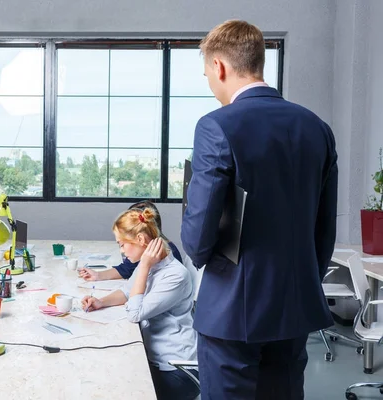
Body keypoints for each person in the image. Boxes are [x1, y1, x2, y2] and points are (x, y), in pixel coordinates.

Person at [180, 20, 338, 399]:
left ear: (219, 66)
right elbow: (324, 224)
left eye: (207, 74)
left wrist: (198, 248)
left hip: (232, 310)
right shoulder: (316, 128)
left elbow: (198, 237)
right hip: (295, 304)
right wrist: (303, 278)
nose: (210, 83)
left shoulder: (216, 126)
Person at [82, 207, 199, 400]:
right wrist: (101, 302)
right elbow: (128, 292)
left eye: (122, 244)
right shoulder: (151, 265)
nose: (121, 251)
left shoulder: (175, 275)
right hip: (156, 359)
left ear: (141, 240)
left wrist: (144, 265)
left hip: (177, 370)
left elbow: (135, 313)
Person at [78, 200, 184, 281]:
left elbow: (138, 305)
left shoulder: (165, 254)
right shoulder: (152, 249)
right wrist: (98, 275)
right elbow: (128, 269)